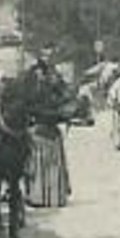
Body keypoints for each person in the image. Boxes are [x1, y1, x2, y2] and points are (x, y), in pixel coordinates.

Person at [23, 48, 71, 208]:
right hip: (44, 124)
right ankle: (51, 196)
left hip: (42, 124)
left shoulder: (48, 77)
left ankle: (39, 196)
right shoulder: (40, 77)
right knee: (46, 161)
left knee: (37, 162)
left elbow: (65, 95)